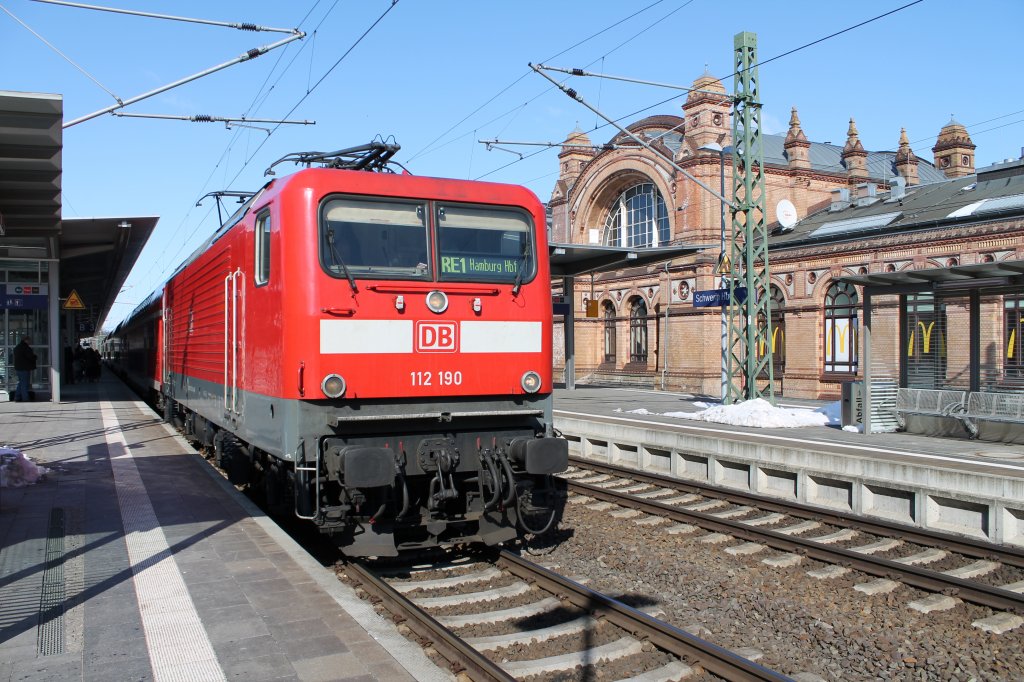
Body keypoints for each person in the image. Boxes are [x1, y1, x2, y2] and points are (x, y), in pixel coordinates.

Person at [13, 336, 36, 402]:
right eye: (29, 340)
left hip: (18, 368)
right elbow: (30, 357)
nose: (30, 342)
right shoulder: (26, 348)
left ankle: (17, 397)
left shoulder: (17, 347)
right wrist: (35, 357)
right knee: (24, 383)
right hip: (25, 368)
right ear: (26, 340)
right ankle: (25, 398)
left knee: (21, 383)